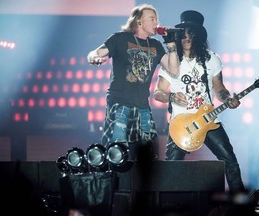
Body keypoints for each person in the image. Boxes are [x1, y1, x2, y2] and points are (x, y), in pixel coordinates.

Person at [153, 10, 245, 193]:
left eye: (191, 33)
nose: (187, 37)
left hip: (209, 120)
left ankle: (241, 204)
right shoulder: (172, 61)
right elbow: (158, 93)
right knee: (171, 167)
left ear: (199, 36)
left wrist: (228, 99)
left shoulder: (212, 59)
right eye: (184, 33)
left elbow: (220, 89)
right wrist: (171, 97)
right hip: (182, 123)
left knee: (230, 161)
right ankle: (166, 207)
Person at [87, 4, 179, 161]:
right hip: (120, 103)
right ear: (139, 22)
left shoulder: (156, 45)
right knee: (118, 151)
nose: (156, 22)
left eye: (157, 18)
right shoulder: (120, 38)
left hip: (142, 106)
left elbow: (174, 70)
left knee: (149, 152)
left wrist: (171, 46)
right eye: (152, 18)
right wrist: (94, 58)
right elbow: (95, 53)